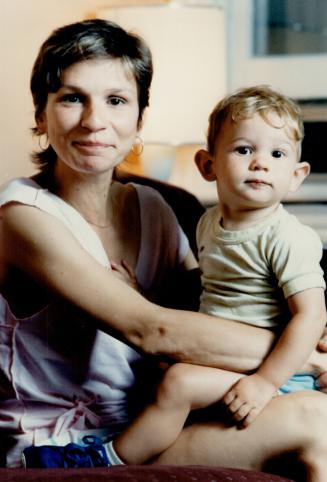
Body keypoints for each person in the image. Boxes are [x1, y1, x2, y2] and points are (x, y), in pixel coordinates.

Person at [0, 19, 327, 481]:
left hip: (155, 421)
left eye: (116, 101)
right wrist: (306, 358)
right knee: (317, 420)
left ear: (139, 119)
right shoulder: (22, 216)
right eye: (72, 98)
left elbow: (204, 304)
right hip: (63, 449)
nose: (95, 121)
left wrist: (309, 331)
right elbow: (155, 330)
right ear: (41, 114)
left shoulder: (151, 206)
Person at [80, 85, 326, 468]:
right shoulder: (209, 222)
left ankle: (104, 462)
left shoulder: (289, 237)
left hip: (275, 374)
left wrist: (265, 383)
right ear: (207, 165)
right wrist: (137, 293)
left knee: (179, 383)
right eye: (244, 150)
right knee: (161, 374)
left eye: (277, 154)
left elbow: (312, 316)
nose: (260, 163)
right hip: (224, 357)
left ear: (296, 175)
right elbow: (209, 283)